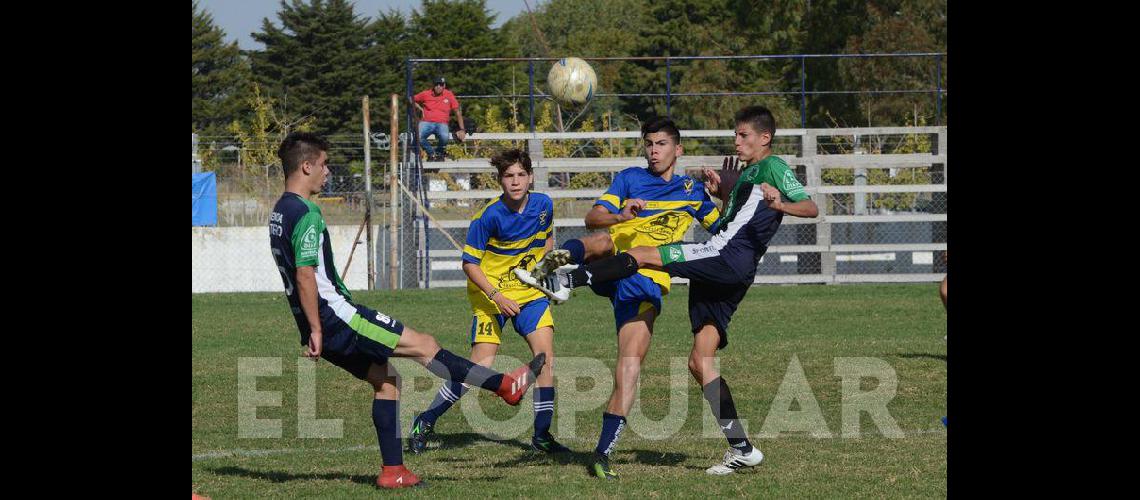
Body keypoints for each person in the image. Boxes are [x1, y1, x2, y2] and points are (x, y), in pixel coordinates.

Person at [520, 105, 819, 475]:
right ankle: (742, 447)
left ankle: (564, 281)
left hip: (725, 258)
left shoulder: (773, 167)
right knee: (700, 361)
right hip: (729, 270)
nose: (736, 141)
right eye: (735, 134)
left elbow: (810, 206)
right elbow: (727, 222)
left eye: (743, 135)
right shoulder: (743, 176)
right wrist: (724, 191)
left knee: (643, 255)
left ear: (765, 138)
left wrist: (781, 204)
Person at [268, 132, 544, 489]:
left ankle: (393, 471)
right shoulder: (306, 212)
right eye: (323, 164)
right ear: (306, 166)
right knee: (424, 346)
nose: (327, 171)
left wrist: (310, 328)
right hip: (336, 318)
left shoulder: (279, 210)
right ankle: (504, 386)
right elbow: (305, 274)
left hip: (318, 320)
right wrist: (318, 328)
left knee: (386, 382)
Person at [529, 117, 722, 479]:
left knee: (629, 365)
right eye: (649, 143)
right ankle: (558, 271)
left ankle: (602, 454)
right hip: (611, 263)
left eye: (661, 144)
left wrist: (723, 193)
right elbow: (592, 217)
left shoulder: (692, 191)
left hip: (646, 280)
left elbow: (725, 229)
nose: (653, 150)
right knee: (605, 239)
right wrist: (620, 215)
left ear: (677, 149)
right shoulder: (629, 178)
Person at [408, 149, 568, 454]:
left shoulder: (544, 205)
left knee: (545, 360)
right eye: (509, 176)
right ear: (500, 180)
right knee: (478, 368)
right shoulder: (488, 216)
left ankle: (542, 436)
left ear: (531, 177)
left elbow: (547, 239)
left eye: (521, 175)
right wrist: (497, 295)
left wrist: (544, 270)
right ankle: (425, 420)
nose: (516, 181)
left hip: (530, 294)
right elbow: (469, 264)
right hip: (489, 297)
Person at [413, 76, 465, 161]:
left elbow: (457, 112)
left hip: (442, 123)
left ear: (444, 86)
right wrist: (419, 107)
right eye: (436, 84)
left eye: (441, 84)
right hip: (426, 121)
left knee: (445, 137)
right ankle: (432, 153)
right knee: (418, 136)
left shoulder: (449, 94)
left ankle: (439, 153)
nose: (438, 86)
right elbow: (410, 98)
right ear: (433, 85)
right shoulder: (426, 94)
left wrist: (462, 129)